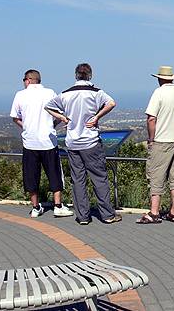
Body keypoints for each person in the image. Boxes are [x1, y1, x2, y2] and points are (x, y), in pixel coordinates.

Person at [45, 63, 122, 225]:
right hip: (91, 142)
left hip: (72, 143)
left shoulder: (65, 94)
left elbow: (48, 106)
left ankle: (82, 216)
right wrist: (97, 117)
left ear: (76, 75)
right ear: (90, 75)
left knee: (78, 180)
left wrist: (63, 118)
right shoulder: (95, 92)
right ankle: (107, 214)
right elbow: (111, 103)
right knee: (99, 178)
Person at [10, 69, 74, 218]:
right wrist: (53, 125)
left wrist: (25, 126)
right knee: (54, 173)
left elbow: (14, 117)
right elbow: (60, 114)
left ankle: (35, 207)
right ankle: (58, 206)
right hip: (48, 141)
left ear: (29, 79)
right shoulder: (50, 93)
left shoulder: (20, 95)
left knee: (31, 176)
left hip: (30, 142)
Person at [136, 66, 174, 224]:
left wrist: (151, 138)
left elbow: (151, 118)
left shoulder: (158, 93)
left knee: (156, 176)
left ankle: (154, 212)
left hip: (162, 140)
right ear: (173, 78)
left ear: (159, 78)